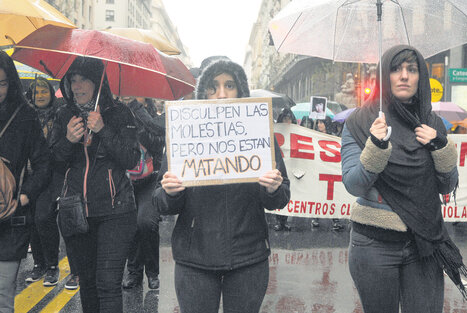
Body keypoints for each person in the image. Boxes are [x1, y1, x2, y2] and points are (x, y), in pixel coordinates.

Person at [153, 59, 290, 313]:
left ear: (241, 90)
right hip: (195, 260)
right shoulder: (184, 133)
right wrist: (170, 193)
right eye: (213, 87)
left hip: (248, 257)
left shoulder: (259, 132)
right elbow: (160, 201)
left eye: (229, 85)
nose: (222, 94)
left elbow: (281, 197)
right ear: (203, 91)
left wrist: (272, 188)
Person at [341, 45, 467, 313]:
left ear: (421, 76)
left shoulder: (432, 122)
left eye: (412, 69)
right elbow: (354, 184)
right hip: (373, 246)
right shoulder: (361, 121)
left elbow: (446, 185)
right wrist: (375, 145)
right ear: (385, 75)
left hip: (424, 242)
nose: (404, 76)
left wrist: (440, 146)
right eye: (396, 69)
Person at [50, 56, 140, 313]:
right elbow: (53, 163)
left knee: (108, 284)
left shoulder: (120, 113)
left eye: (83, 80)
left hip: (116, 211)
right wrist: (68, 140)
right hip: (75, 213)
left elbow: (131, 159)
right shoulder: (64, 113)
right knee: (87, 283)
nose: (77, 86)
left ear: (98, 82)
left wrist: (103, 130)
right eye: (72, 80)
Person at [0, 51, 50, 312]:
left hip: (10, 221)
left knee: (3, 295)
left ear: (11, 82)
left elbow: (43, 165)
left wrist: (23, 197)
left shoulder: (25, 116)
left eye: (2, 83)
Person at [121, 97, 165, 290]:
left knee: (146, 223)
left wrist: (137, 119)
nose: (127, 96)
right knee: (131, 226)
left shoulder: (151, 118)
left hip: (150, 179)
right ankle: (134, 272)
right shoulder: (116, 114)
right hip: (125, 181)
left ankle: (152, 272)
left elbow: (158, 141)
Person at [24, 77, 63, 286]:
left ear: (50, 94)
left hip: (51, 175)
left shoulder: (59, 115)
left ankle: (52, 266)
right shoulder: (25, 117)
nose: (39, 95)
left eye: (43, 91)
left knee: (43, 217)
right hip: (29, 175)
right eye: (36, 92)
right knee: (30, 220)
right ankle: (38, 264)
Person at [313, 117, 344, 231]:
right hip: (319, 170)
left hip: (330, 172)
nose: (319, 125)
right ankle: (315, 218)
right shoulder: (314, 135)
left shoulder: (333, 137)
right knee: (318, 194)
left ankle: (335, 220)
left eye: (321, 122)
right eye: (318, 122)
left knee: (332, 196)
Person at [273, 107, 296, 231]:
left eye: (289, 119)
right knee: (278, 189)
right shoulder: (276, 132)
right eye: (285, 119)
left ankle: (285, 220)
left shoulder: (297, 132)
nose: (287, 122)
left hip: (292, 167)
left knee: (288, 194)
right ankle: (278, 220)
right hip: (280, 166)